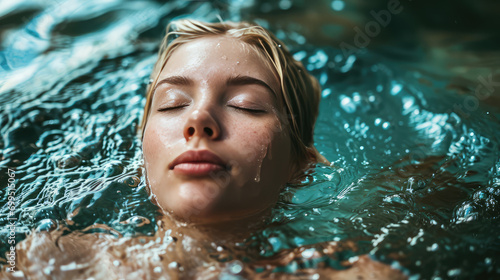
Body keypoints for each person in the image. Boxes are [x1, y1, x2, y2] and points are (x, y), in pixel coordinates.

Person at [3, 19, 406, 279]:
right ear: (144, 152)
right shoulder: (48, 263)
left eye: (245, 105)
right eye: (173, 104)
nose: (199, 119)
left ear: (299, 165)